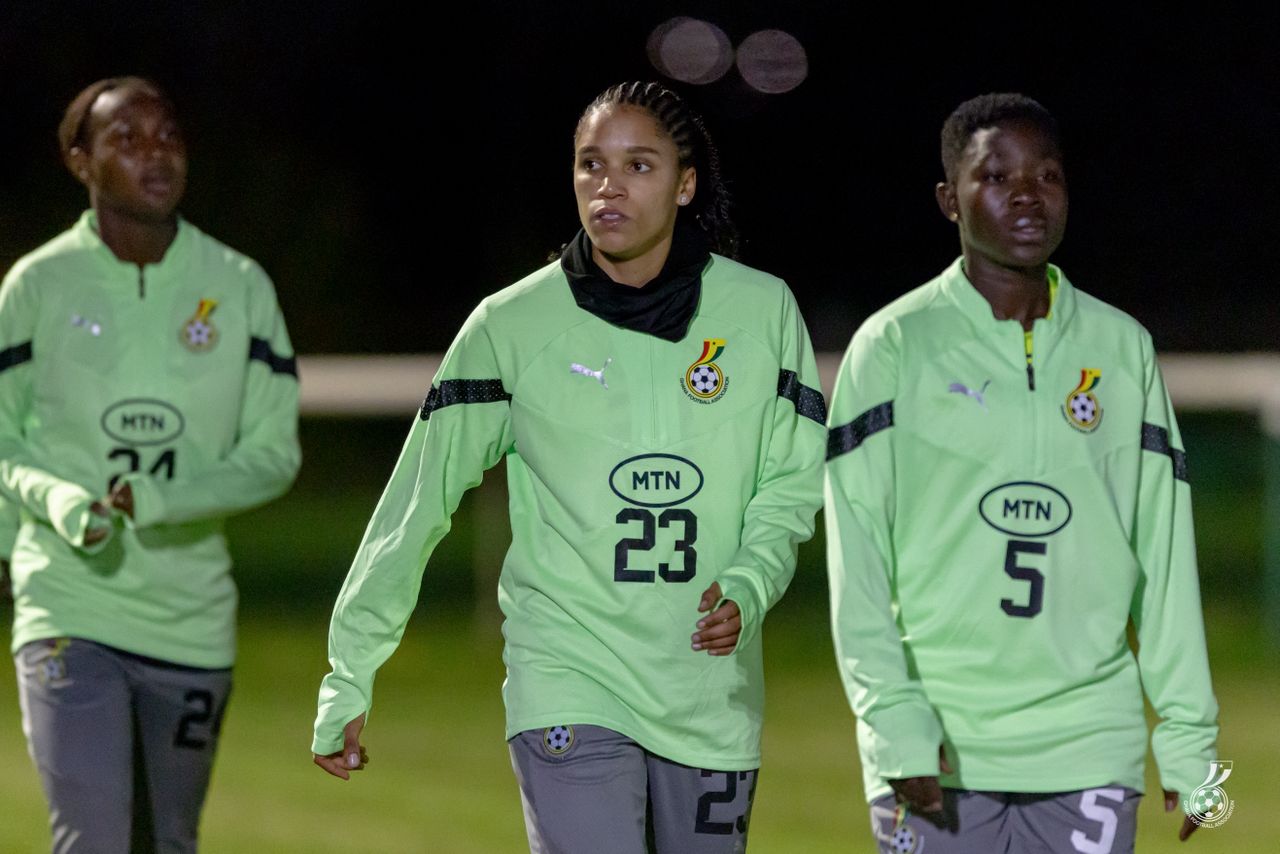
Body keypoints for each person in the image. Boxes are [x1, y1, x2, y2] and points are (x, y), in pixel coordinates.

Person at [312, 81, 826, 852]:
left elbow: (790, 482)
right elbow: (415, 504)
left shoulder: (762, 311)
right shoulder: (511, 324)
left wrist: (751, 582)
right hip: (566, 675)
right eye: (591, 163)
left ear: (686, 184)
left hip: (707, 691)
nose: (608, 185)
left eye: (638, 165)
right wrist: (349, 672)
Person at [824, 93, 1218, 853]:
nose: (1028, 195)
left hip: (1092, 745)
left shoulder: (1122, 349)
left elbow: (1165, 557)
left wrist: (1190, 736)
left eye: (1047, 175)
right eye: (997, 176)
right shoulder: (894, 346)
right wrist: (894, 723)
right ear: (950, 199)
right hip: (938, 744)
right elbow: (857, 558)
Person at [1, 76, 301, 852]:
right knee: (94, 839)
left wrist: (165, 499)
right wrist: (57, 507)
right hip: (67, 605)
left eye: (167, 135)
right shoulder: (36, 286)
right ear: (80, 161)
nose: (155, 153)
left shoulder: (239, 286)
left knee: (166, 842)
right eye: (126, 139)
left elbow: (274, 454)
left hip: (190, 621)